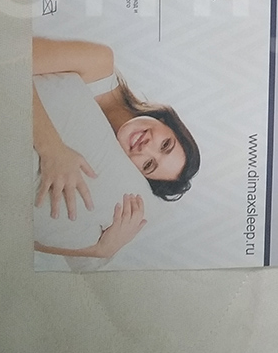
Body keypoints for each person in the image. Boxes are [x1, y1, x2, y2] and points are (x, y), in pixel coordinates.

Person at [31, 38, 201, 260]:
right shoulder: (100, 64)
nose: (146, 148)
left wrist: (98, 251)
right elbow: (12, 55)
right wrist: (52, 149)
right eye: (165, 144)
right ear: (165, 121)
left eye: (148, 164)